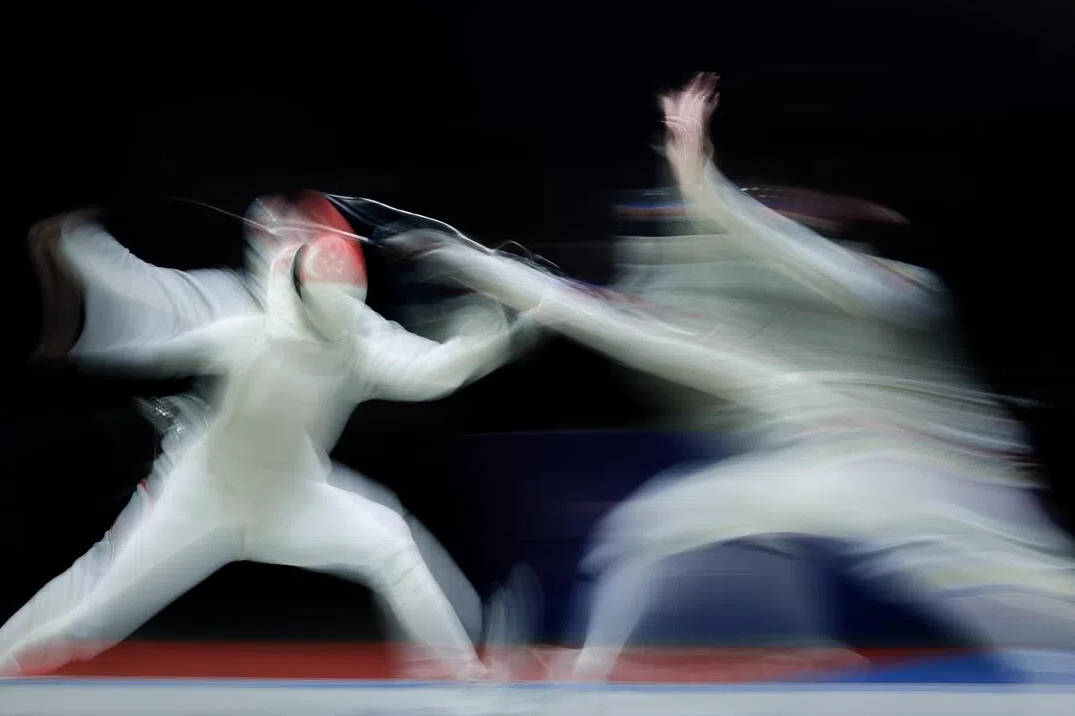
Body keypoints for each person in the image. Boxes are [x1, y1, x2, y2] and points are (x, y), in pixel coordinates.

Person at [404, 73, 1075, 681]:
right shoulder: (764, 345)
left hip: (944, 481)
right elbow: (592, 313)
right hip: (842, 471)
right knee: (649, 530)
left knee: (1027, 605)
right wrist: (463, 259)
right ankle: (589, 676)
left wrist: (701, 183)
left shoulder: (895, 292)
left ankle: (616, 667)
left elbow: (783, 251)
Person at [0, 192, 528, 715]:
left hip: (294, 498)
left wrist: (490, 332)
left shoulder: (356, 334)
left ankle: (465, 682)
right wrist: (84, 247)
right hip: (198, 499)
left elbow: (434, 371)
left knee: (391, 542)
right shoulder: (236, 318)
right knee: (86, 616)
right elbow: (146, 290)